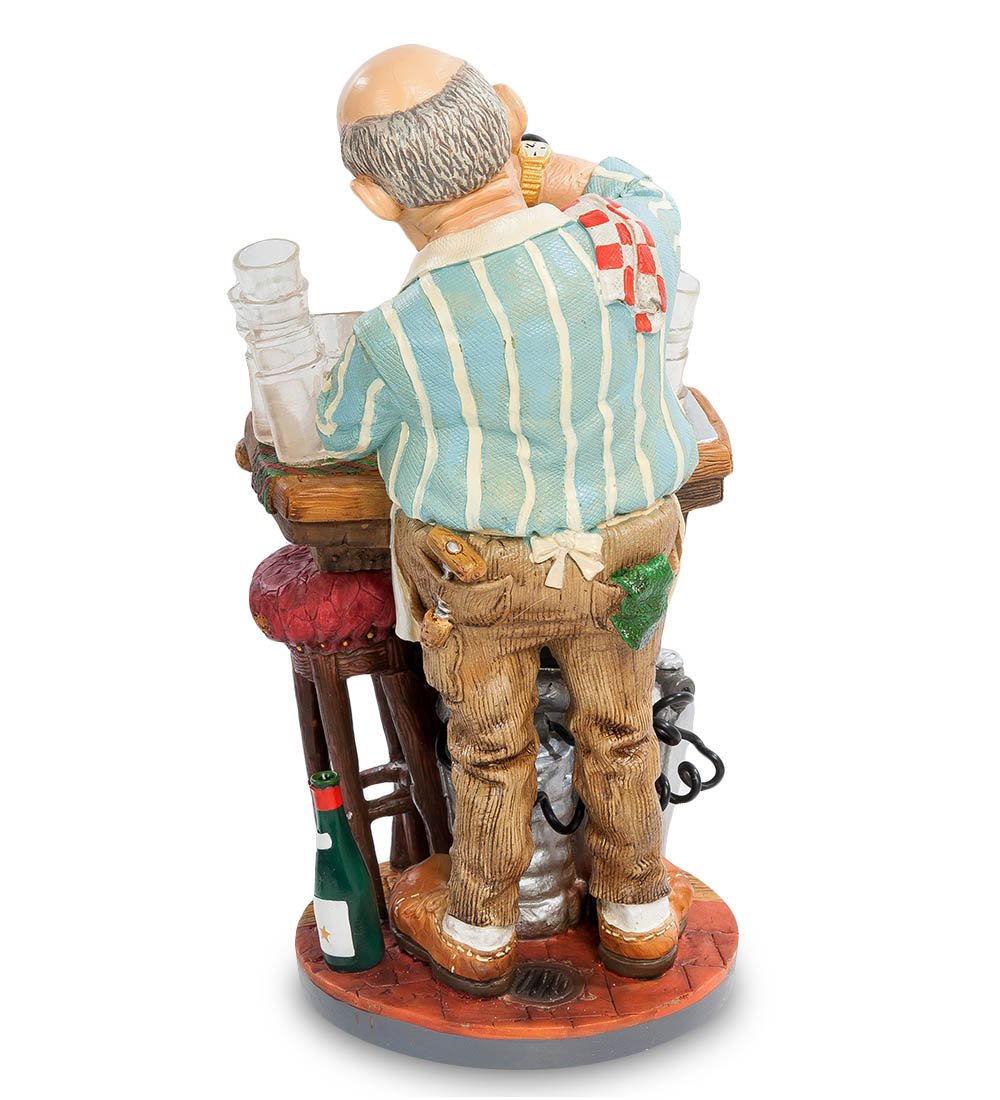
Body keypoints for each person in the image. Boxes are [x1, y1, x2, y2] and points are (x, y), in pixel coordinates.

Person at [318, 44, 699, 996]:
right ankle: (639, 916)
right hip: (629, 555)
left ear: (373, 197)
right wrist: (532, 164)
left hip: (482, 576)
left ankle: (480, 931)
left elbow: (337, 428)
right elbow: (641, 190)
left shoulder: (399, 329)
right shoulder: (621, 239)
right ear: (512, 113)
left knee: (488, 747)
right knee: (623, 729)